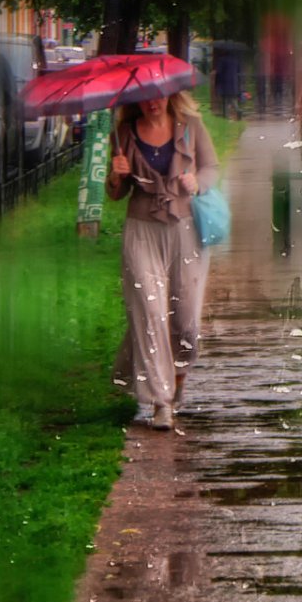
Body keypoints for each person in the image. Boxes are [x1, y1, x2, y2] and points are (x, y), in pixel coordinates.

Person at [107, 90, 219, 432]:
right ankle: (160, 401)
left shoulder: (191, 126)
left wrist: (198, 182)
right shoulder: (124, 133)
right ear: (136, 102)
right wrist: (117, 173)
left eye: (158, 96)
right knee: (150, 312)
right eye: (144, 98)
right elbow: (115, 193)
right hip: (142, 231)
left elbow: (211, 166)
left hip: (185, 229)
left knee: (185, 320)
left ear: (170, 96)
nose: (152, 103)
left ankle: (178, 378)